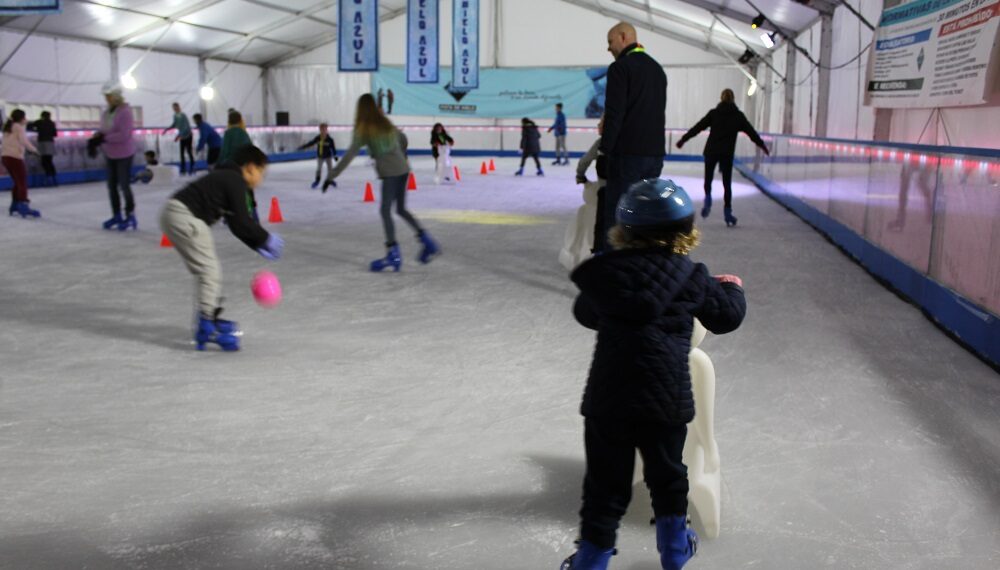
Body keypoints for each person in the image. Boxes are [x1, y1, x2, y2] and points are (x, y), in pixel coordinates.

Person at [561, 178, 747, 570]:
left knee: (605, 485)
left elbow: (585, 314)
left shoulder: (606, 273)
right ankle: (676, 552)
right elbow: (726, 317)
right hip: (665, 402)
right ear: (685, 230)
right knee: (668, 479)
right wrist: (732, 288)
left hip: (609, 401)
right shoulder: (692, 277)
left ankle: (591, 560)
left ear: (623, 230)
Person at [159, 145, 283, 352]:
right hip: (184, 217)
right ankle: (207, 325)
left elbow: (235, 224)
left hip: (173, 215)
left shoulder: (226, 177)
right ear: (251, 168)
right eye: (262, 173)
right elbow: (243, 221)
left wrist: (257, 243)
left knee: (204, 271)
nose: (261, 180)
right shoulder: (235, 181)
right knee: (209, 270)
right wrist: (265, 239)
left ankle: (207, 318)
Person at [326, 94, 440, 272]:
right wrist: (401, 155)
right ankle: (428, 241)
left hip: (391, 172)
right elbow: (402, 138)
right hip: (403, 168)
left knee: (385, 210)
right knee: (401, 209)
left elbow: (349, 155)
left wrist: (332, 175)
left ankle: (393, 254)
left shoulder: (363, 128)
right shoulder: (384, 121)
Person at [597, 22, 667, 252]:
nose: (609, 48)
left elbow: (615, 115)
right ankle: (643, 266)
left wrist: (604, 151)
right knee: (644, 214)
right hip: (654, 155)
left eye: (610, 42)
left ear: (624, 37)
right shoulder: (658, 70)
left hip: (627, 155)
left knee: (617, 215)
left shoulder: (620, 68)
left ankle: (612, 273)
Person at [676, 88, 769, 227]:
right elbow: (751, 133)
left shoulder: (714, 114)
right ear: (733, 99)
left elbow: (698, 127)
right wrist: (762, 145)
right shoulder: (738, 116)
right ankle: (727, 212)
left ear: (721, 98)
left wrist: (683, 139)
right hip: (726, 153)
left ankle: (707, 199)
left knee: (708, 179)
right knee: (727, 184)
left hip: (711, 151)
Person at [93, 82, 137, 231]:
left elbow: (124, 135)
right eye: (106, 96)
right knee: (111, 186)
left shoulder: (125, 112)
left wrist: (105, 138)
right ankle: (116, 215)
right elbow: (104, 130)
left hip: (124, 153)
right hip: (110, 153)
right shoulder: (106, 113)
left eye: (109, 96)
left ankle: (130, 215)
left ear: (117, 96)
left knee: (124, 185)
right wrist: (96, 137)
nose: (107, 99)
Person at [2, 109, 41, 218]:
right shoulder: (18, 127)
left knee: (17, 182)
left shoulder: (8, 126)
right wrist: (35, 150)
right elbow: (24, 141)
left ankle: (14, 204)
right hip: (15, 157)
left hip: (5, 157)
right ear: (21, 118)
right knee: (22, 182)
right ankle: (23, 205)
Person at [298, 123, 338, 191]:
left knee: (330, 169)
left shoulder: (330, 139)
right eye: (322, 129)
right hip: (320, 156)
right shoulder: (318, 138)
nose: (323, 131)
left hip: (328, 156)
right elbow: (311, 143)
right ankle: (317, 181)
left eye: (325, 129)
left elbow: (333, 148)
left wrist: (335, 155)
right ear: (320, 130)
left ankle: (330, 180)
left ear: (327, 130)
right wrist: (303, 147)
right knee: (318, 169)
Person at [163, 102, 195, 175]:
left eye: (176, 107)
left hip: (188, 135)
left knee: (189, 151)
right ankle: (183, 168)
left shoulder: (183, 115)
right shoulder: (175, 116)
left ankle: (192, 167)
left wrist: (178, 136)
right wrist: (167, 129)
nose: (175, 109)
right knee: (182, 153)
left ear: (179, 107)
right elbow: (174, 124)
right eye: (174, 108)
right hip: (182, 136)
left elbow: (186, 127)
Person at [27, 110, 58, 186]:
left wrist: (37, 130)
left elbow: (28, 126)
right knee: (50, 161)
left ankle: (48, 179)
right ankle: (54, 179)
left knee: (44, 162)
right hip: (50, 143)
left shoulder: (39, 122)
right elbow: (55, 134)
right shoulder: (52, 123)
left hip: (42, 143)